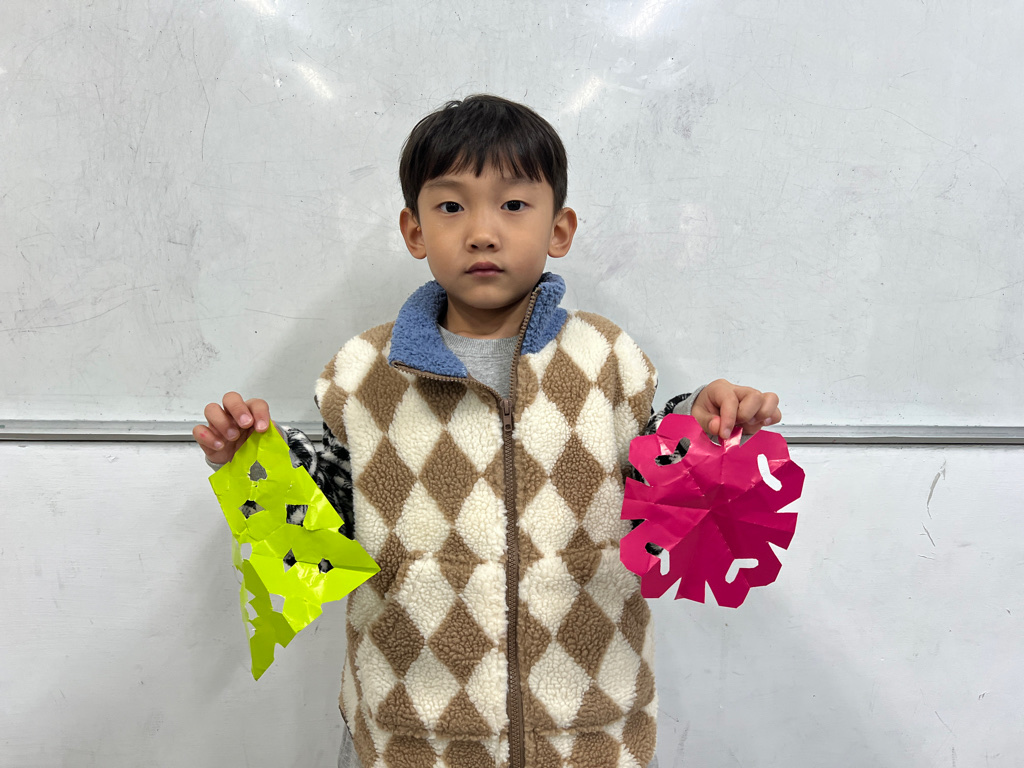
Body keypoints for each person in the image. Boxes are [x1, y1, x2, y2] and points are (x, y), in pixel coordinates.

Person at [195, 95, 781, 768]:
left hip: (590, 726)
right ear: (414, 231)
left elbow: (660, 479)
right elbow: (323, 535)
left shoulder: (607, 358)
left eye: (513, 204)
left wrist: (704, 425)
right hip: (412, 732)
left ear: (559, 229)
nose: (481, 231)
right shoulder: (363, 373)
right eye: (451, 206)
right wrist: (256, 464)